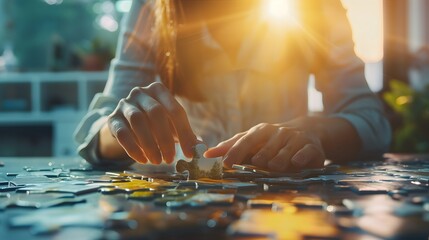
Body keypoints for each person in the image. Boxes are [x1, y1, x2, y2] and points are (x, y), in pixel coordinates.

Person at [74, 0, 391, 172]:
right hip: (185, 211)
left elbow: (372, 121)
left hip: (283, 210)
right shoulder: (152, 7)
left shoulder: (316, 8)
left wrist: (315, 131)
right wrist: (122, 126)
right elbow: (92, 134)